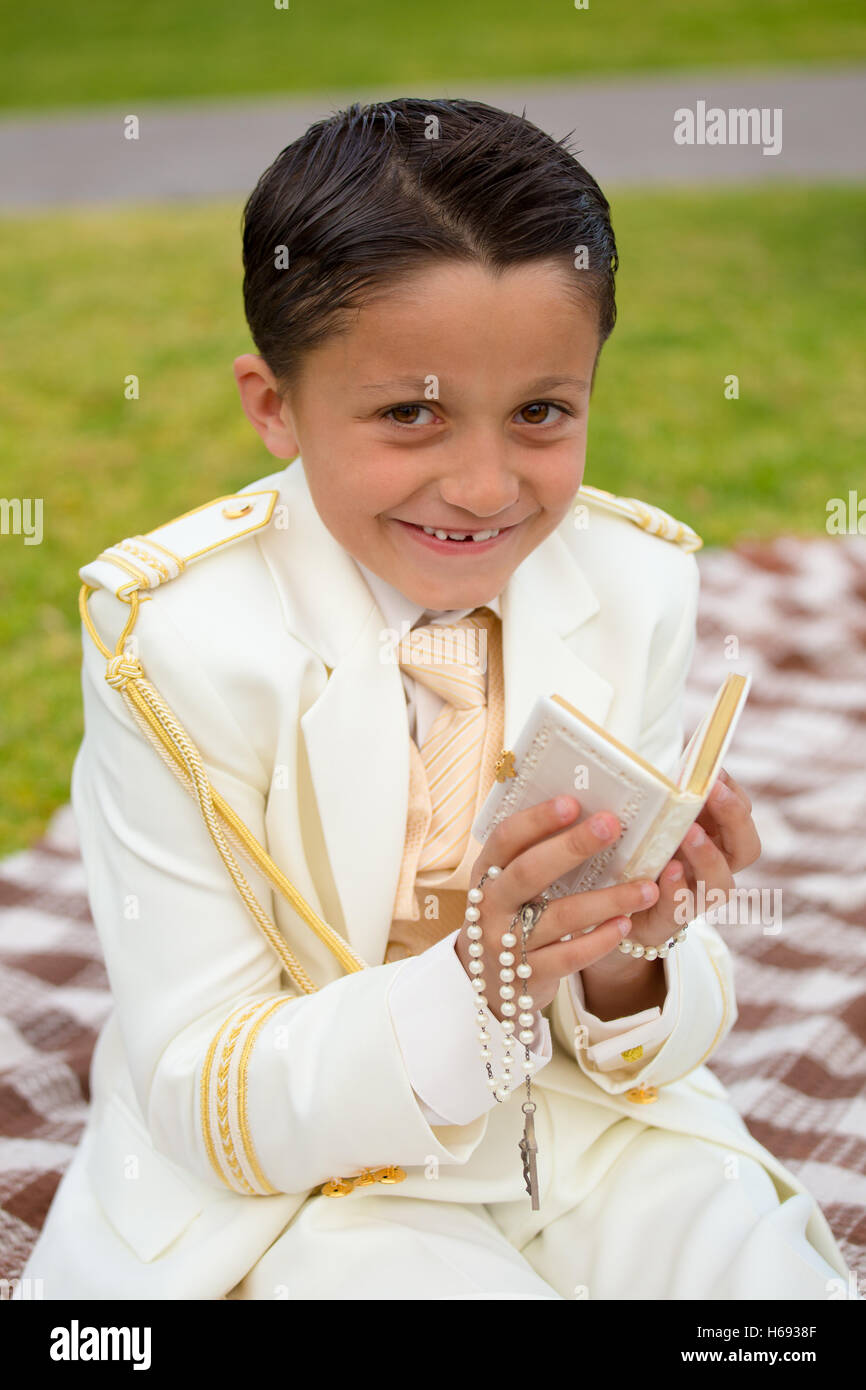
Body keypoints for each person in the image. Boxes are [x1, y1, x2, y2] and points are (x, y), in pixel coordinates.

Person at [18, 97, 855, 1301]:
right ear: (273, 405)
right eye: (408, 413)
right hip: (315, 1174)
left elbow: (642, 1032)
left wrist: (638, 946)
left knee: (759, 1288)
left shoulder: (634, 583)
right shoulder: (174, 641)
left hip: (578, 1125)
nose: (481, 485)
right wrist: (480, 982)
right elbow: (201, 1079)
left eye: (540, 412)